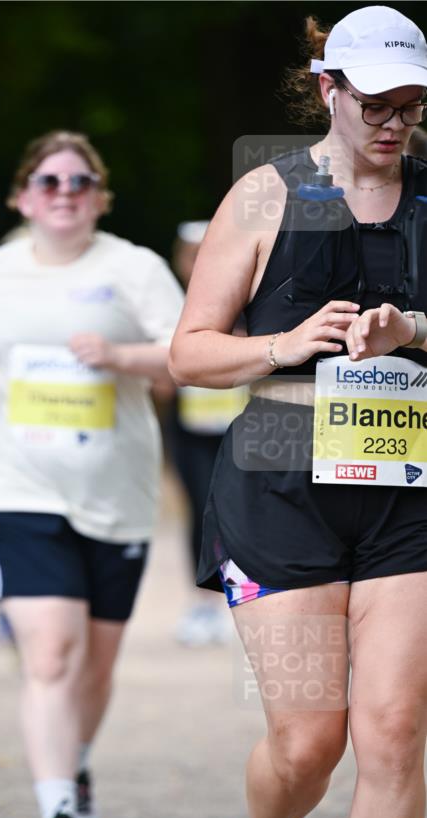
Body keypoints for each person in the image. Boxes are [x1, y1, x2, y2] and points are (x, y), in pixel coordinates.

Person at [169, 7, 426, 818]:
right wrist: (281, 344)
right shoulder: (265, 196)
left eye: (411, 106)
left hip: (403, 488)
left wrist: (412, 330)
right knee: (308, 739)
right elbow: (189, 349)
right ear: (328, 89)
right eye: (376, 103)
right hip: (278, 479)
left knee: (395, 726)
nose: (394, 122)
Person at [0, 130, 183, 818]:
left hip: (117, 493)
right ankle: (60, 813)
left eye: (79, 182)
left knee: (95, 668)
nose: (64, 193)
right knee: (49, 651)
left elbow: (185, 357)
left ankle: (72, 761)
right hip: (13, 484)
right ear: (21, 196)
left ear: (100, 197)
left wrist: (120, 356)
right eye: (48, 181)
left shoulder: (133, 269)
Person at [167, 221, 246, 647]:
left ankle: (243, 599)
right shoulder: (170, 306)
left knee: (245, 511)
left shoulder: (249, 300)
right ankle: (202, 604)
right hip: (190, 431)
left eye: (205, 252)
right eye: (190, 254)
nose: (198, 262)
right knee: (199, 512)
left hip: (242, 428)